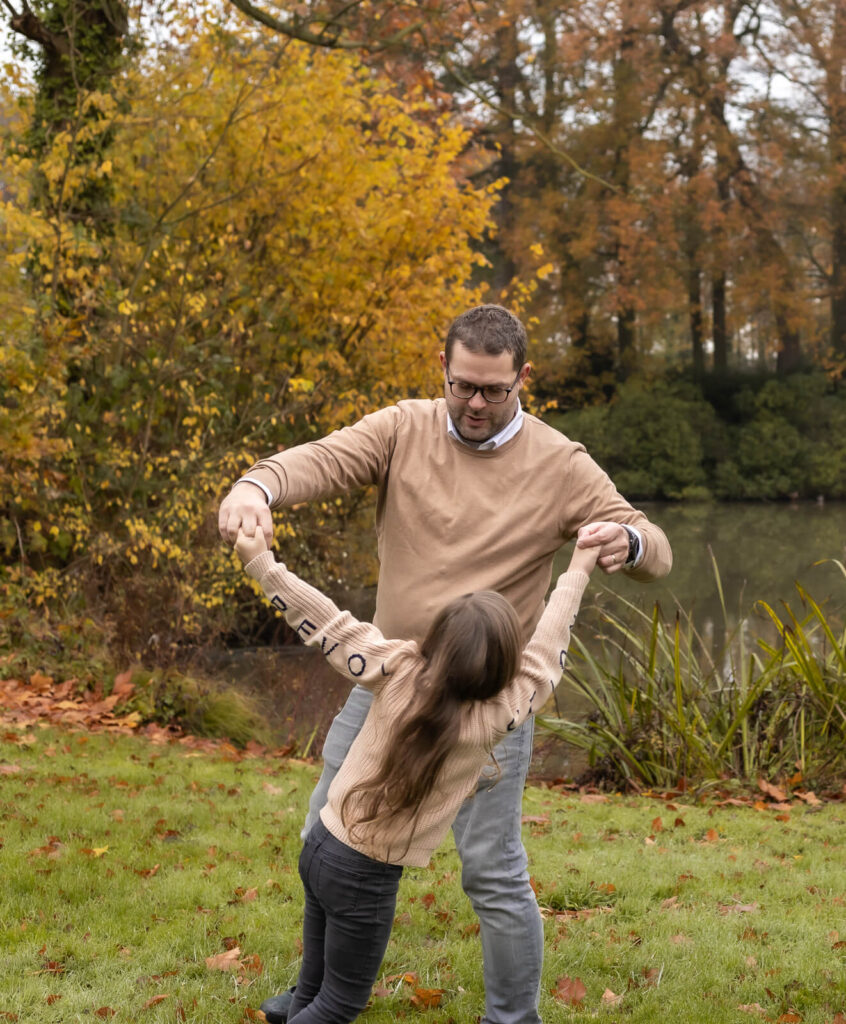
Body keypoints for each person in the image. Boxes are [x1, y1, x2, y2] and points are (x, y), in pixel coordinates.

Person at [218, 304, 673, 1024]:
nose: (476, 404)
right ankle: (310, 993)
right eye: (463, 385)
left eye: (494, 390)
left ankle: (511, 1019)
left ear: (523, 378)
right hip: (389, 683)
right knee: (324, 835)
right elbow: (322, 461)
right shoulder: (404, 428)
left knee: (493, 874)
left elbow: (652, 546)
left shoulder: (561, 463)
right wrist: (255, 487)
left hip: (487, 717)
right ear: (444, 369)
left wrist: (628, 541)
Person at [234, 524, 600, 1023]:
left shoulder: (396, 668)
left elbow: (326, 623)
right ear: (503, 667)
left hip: (322, 843)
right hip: (365, 874)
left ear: (437, 637)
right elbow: (549, 653)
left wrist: (262, 563)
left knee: (314, 989)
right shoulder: (498, 717)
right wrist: (578, 568)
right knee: (339, 1004)